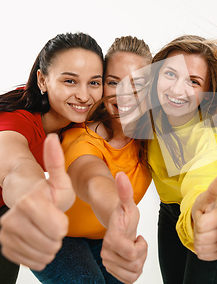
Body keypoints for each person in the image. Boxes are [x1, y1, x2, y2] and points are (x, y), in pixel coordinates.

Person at [0, 32, 104, 284]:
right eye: (70, 81)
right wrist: (38, 197)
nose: (84, 96)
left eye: (94, 83)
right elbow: (16, 168)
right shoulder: (13, 118)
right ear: (42, 80)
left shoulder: (77, 123)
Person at [31, 36, 152, 284]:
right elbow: (93, 178)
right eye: (113, 82)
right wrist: (119, 216)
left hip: (101, 236)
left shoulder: (151, 140)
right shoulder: (80, 135)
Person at [139, 35, 217, 284]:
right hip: (168, 212)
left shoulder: (208, 133)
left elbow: (204, 176)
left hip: (207, 216)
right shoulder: (146, 116)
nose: (177, 89)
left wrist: (203, 215)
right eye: (171, 74)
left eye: (194, 81)